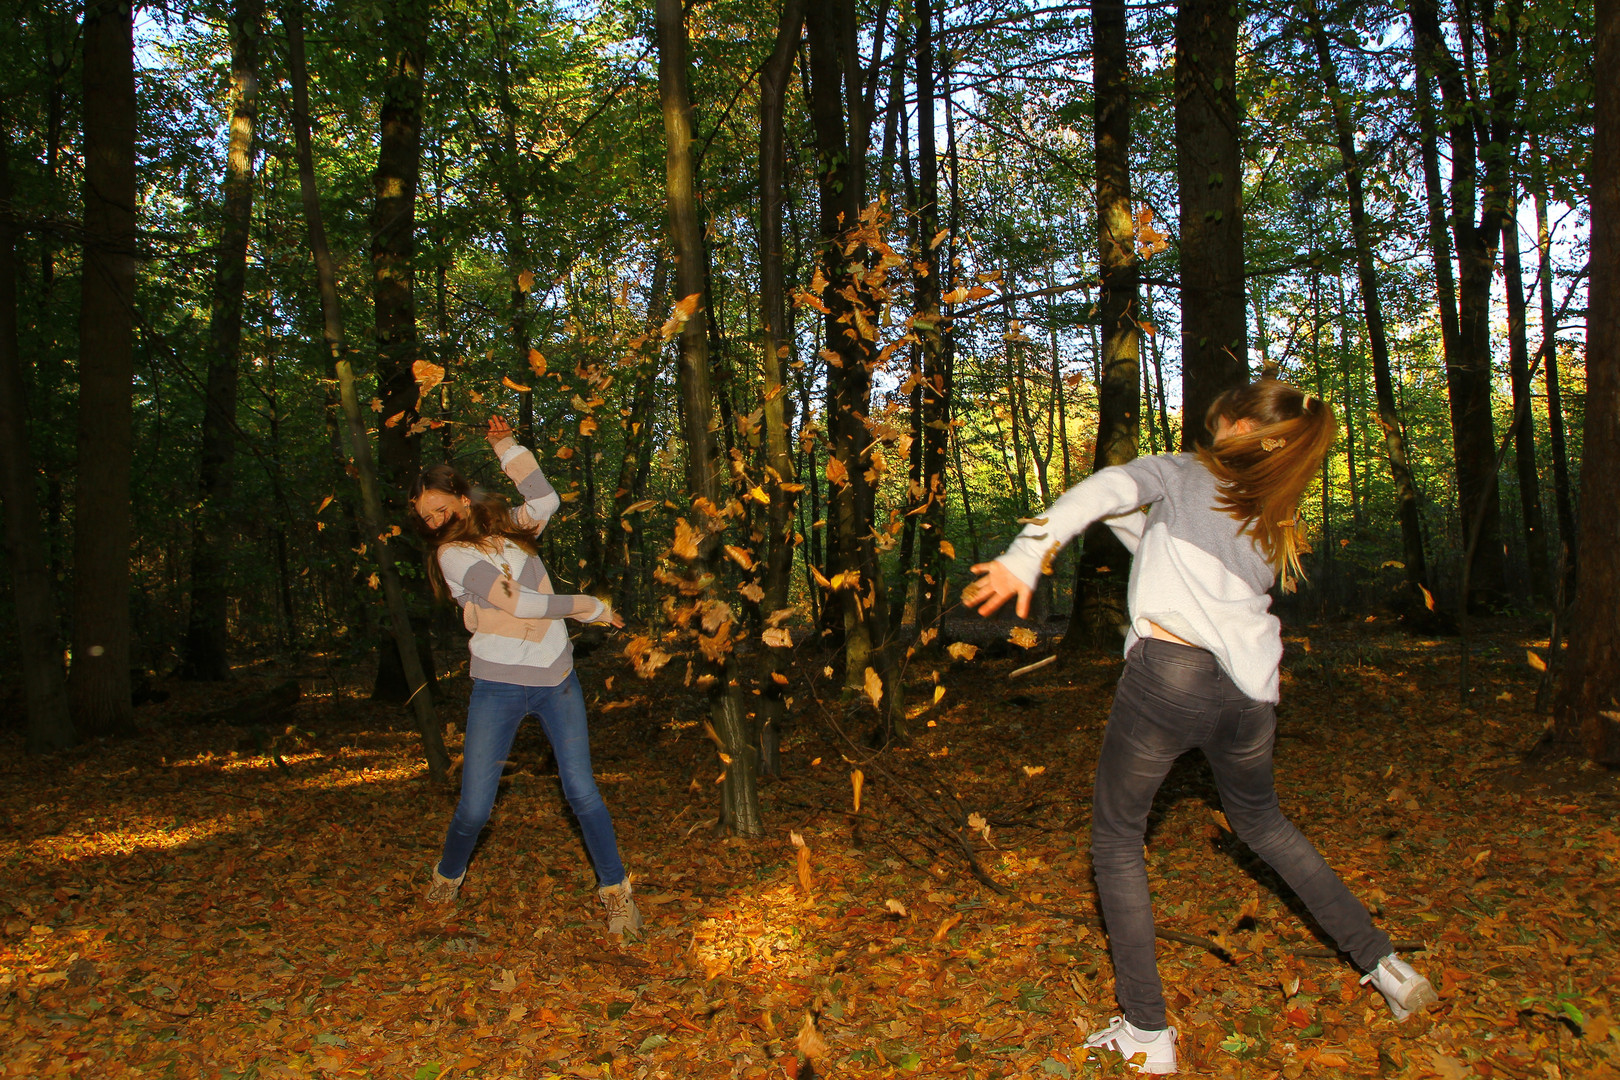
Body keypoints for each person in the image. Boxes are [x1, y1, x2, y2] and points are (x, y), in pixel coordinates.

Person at [967, 379, 1435, 1074]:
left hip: (1171, 676)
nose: (1209, 433)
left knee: (1117, 837)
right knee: (1265, 825)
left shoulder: (1189, 472)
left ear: (1242, 426)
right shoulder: (1268, 517)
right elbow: (1158, 540)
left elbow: (1104, 489)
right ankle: (1387, 965)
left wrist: (1026, 551)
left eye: (1219, 423)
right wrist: (1119, 515)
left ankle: (1148, 1032)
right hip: (1250, 695)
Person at [409, 415, 642, 936]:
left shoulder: (504, 527)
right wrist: (586, 605)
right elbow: (518, 602)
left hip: (556, 679)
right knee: (474, 807)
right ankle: (448, 876)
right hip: (498, 687)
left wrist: (506, 446)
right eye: (425, 518)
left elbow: (545, 502)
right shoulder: (452, 555)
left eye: (439, 509)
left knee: (582, 792)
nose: (434, 521)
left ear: (462, 499)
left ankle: (617, 895)